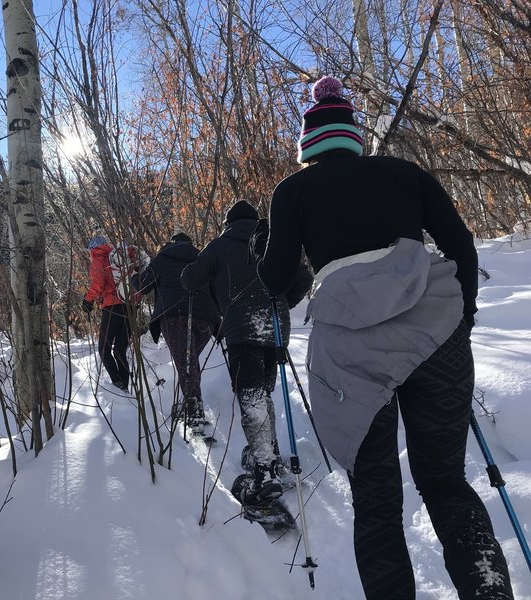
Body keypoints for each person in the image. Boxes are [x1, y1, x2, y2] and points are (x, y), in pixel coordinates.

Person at [256, 76, 513, 599]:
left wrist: (267, 250)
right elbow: (461, 244)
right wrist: (461, 314)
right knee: (444, 481)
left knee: (375, 498)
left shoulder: (293, 191)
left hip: (351, 350)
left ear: (308, 143)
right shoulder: (405, 174)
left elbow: (277, 281)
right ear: (352, 132)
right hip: (436, 333)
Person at [181, 200, 310, 523]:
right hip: (275, 328)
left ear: (228, 222)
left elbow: (189, 280)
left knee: (251, 396)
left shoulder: (220, 245)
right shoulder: (272, 242)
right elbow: (304, 277)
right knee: (263, 393)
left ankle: (265, 474)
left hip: (242, 328)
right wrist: (281, 302)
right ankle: (268, 453)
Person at [131, 232, 221, 430]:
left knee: (185, 362)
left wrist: (134, 275)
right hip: (206, 318)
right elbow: (217, 289)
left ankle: (193, 409)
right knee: (189, 361)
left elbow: (143, 286)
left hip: (173, 316)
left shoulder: (163, 258)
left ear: (170, 244)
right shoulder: (202, 258)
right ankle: (191, 404)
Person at [82, 235, 131, 392]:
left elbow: (98, 283)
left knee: (104, 348)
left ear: (93, 248)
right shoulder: (117, 257)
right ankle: (124, 385)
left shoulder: (99, 258)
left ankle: (118, 384)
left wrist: (88, 300)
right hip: (129, 306)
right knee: (120, 349)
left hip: (112, 307)